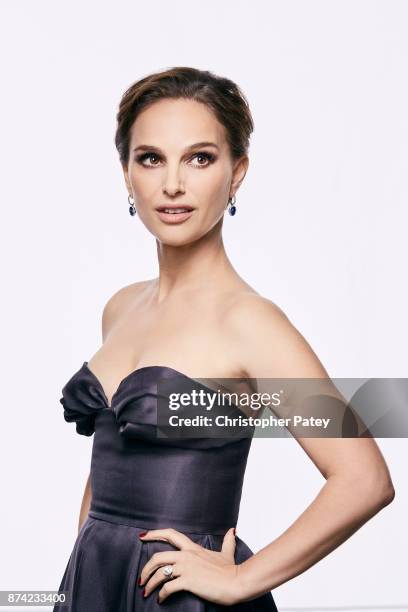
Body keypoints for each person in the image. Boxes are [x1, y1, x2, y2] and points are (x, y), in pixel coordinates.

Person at [54, 67, 395, 611]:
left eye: (200, 158)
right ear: (126, 174)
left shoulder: (251, 323)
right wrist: (82, 571)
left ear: (237, 174)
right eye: (151, 158)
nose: (172, 184)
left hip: (181, 597)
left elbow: (364, 479)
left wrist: (242, 579)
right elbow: (106, 470)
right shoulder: (120, 307)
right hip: (95, 583)